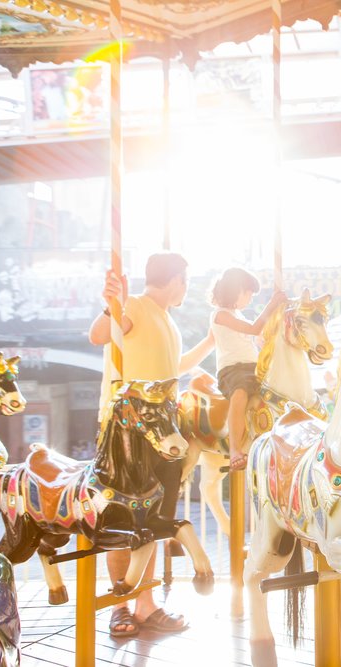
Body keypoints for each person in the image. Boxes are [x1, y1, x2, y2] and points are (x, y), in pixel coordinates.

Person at [87, 253, 214, 638]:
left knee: (153, 519)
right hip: (129, 427)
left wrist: (210, 341)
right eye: (186, 282)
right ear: (175, 280)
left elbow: (174, 367)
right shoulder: (138, 306)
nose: (186, 289)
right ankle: (119, 605)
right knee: (123, 519)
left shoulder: (166, 319)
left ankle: (146, 604)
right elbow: (99, 334)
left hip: (160, 427)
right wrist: (112, 304)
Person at [208, 267, 285, 471]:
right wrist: (270, 306)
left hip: (253, 368)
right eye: (248, 293)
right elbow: (253, 329)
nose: (250, 298)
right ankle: (234, 449)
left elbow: (258, 337)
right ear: (236, 291)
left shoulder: (238, 315)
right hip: (233, 371)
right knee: (240, 393)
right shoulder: (220, 315)